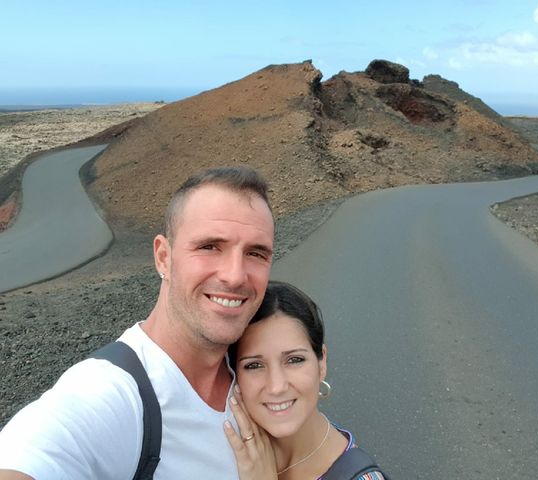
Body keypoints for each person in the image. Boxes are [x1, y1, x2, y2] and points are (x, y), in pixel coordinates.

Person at [0, 166, 275, 479]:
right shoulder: (112, 395)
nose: (235, 275)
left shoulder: (259, 371)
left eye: (256, 253)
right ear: (163, 257)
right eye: (209, 246)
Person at [224, 281, 386, 479]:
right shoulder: (226, 451)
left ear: (322, 363)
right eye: (254, 365)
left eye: (294, 360)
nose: (277, 387)